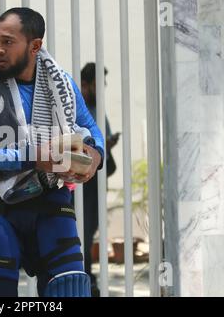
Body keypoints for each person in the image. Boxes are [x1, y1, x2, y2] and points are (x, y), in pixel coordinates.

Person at [0, 8, 104, 297]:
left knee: (70, 287)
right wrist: (33, 156)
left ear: (35, 46)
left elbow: (91, 132)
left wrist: (93, 157)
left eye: (8, 42)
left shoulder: (64, 85)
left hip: (51, 201)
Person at [78, 63, 120, 296]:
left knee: (91, 226)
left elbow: (101, 139)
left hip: (97, 176)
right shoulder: (75, 106)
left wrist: (108, 143)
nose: (102, 88)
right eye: (98, 84)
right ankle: (84, 275)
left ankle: (87, 273)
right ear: (85, 84)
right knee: (81, 227)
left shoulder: (98, 107)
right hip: (80, 177)